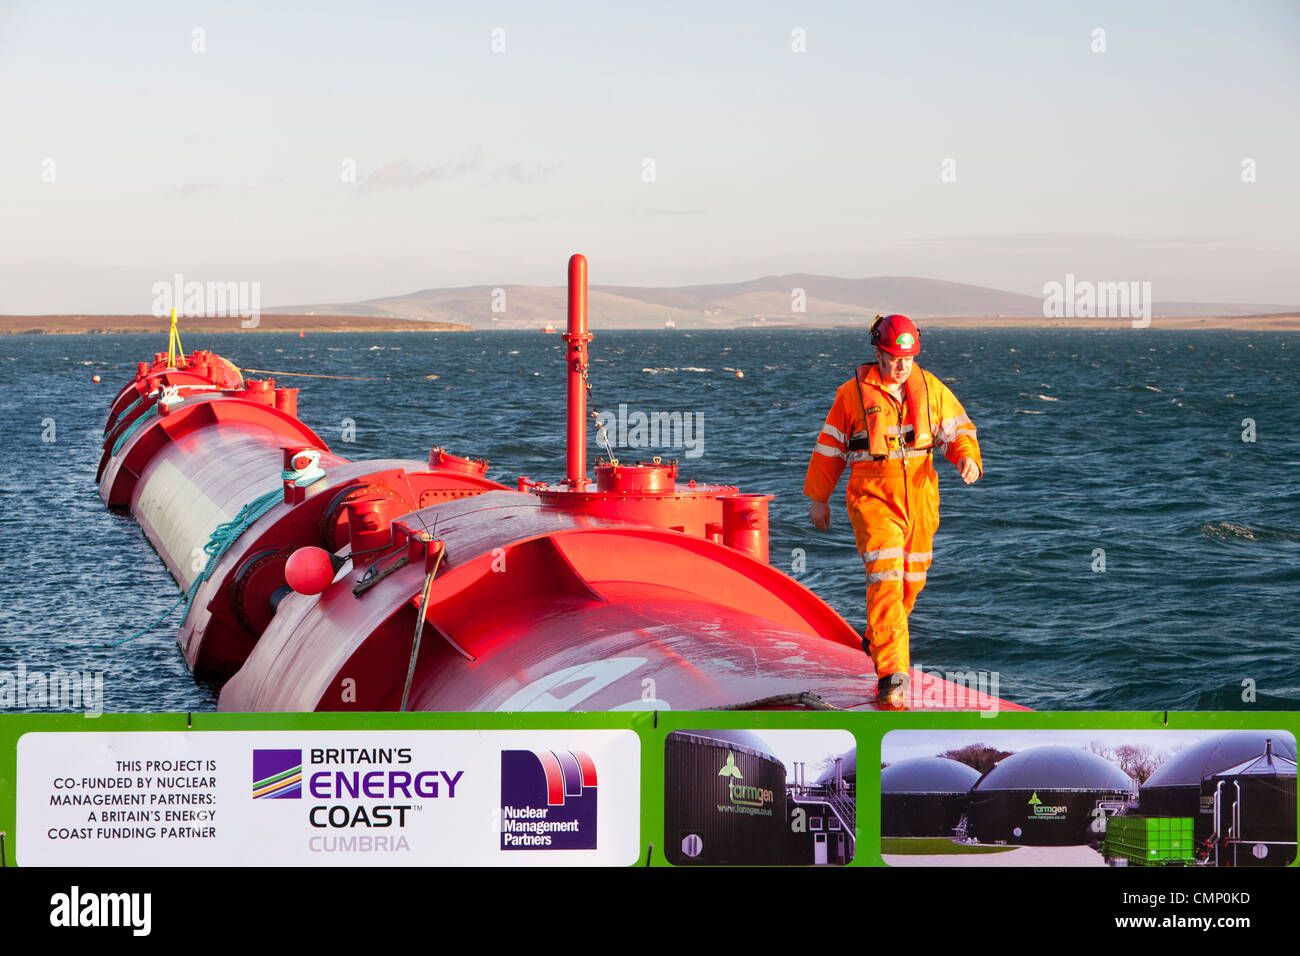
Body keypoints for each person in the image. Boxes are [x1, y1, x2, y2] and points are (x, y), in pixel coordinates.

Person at [803, 314, 982, 708]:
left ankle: (877, 635)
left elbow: (958, 430)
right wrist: (819, 498)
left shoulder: (930, 389)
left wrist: (966, 457)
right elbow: (830, 448)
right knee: (886, 575)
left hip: (920, 496)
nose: (902, 367)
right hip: (872, 495)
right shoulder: (851, 395)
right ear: (878, 353)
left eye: (908, 359)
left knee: (909, 582)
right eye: (894, 358)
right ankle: (892, 673)